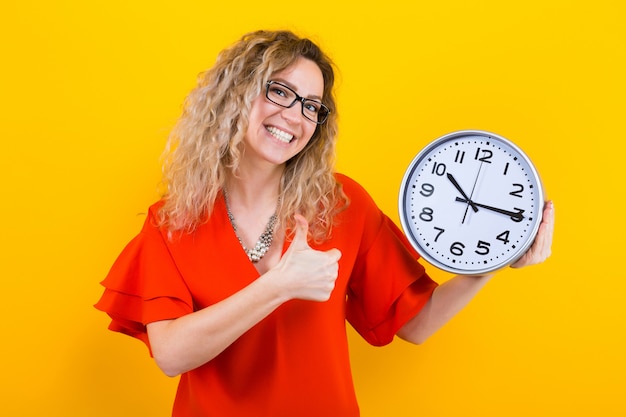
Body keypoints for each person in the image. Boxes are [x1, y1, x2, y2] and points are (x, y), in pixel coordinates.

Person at [95, 30, 555, 416]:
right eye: (279, 91)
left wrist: (494, 259)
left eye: (312, 106)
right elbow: (172, 354)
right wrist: (280, 285)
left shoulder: (341, 203)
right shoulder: (173, 221)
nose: (294, 115)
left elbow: (417, 323)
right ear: (235, 95)